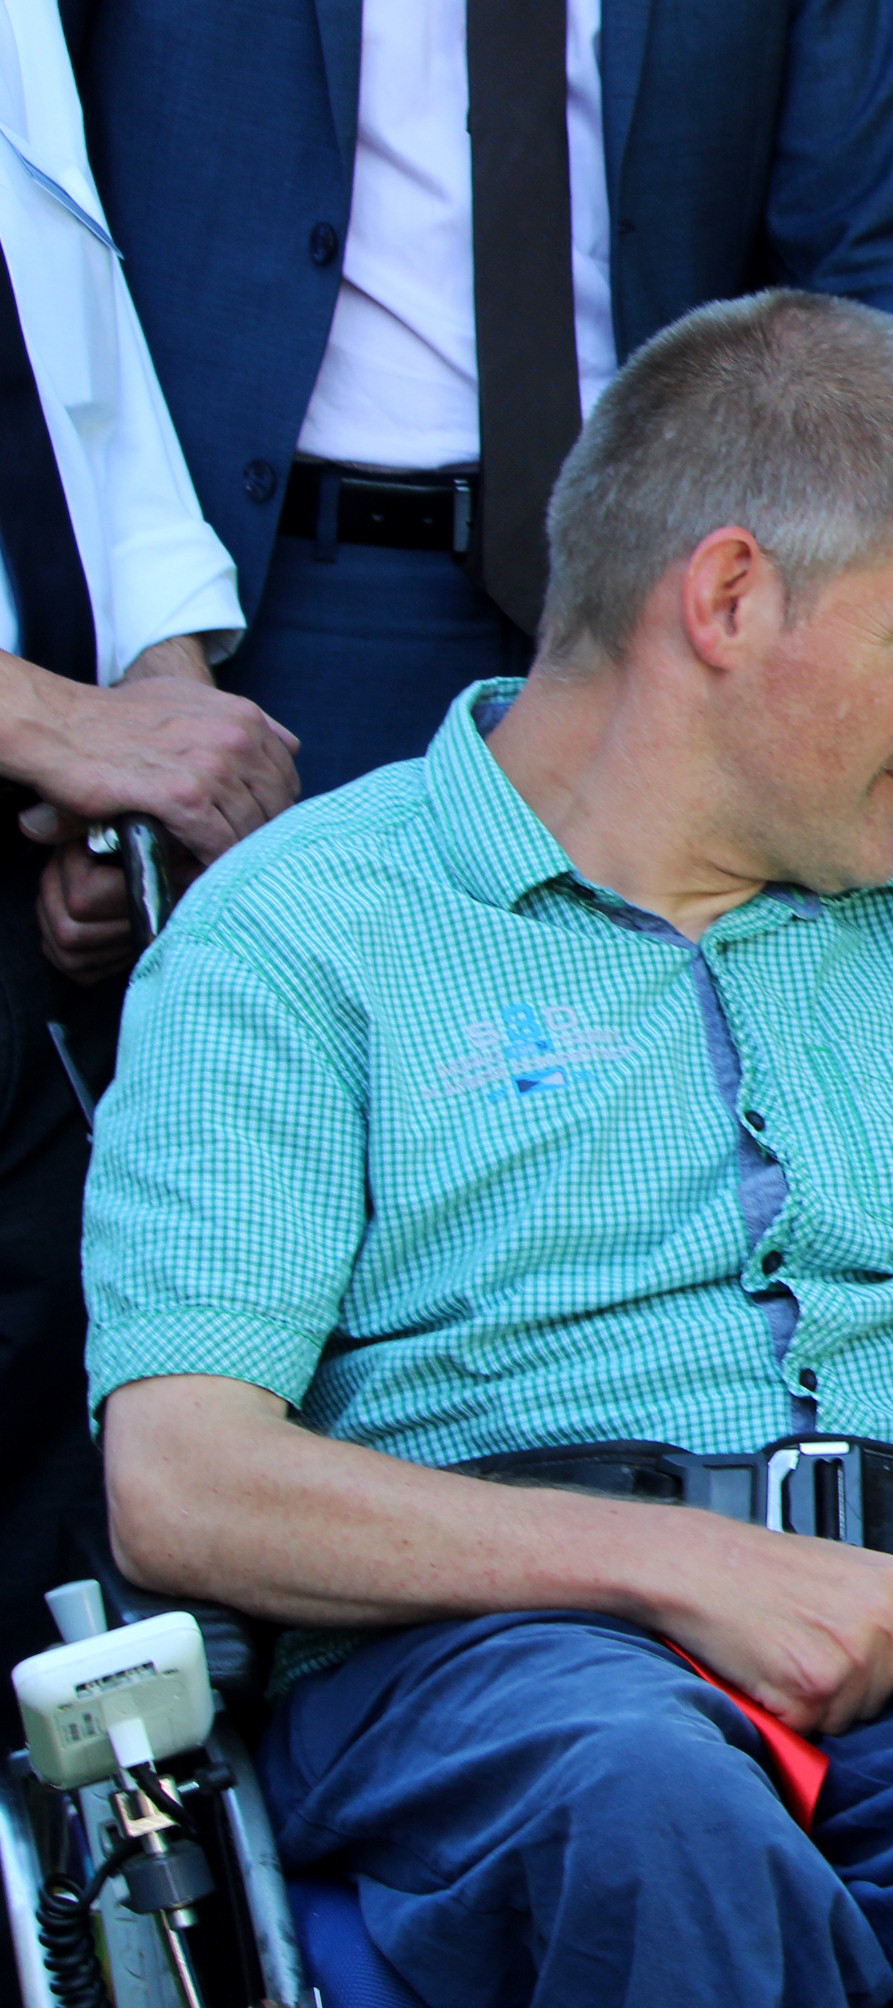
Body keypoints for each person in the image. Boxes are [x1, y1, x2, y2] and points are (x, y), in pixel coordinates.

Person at [80, 291, 893, 2008]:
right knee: (648, 1802)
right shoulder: (299, 942)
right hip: (501, 1668)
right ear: (732, 597)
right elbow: (181, 1478)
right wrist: (680, 1566)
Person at [72, 0, 893, 793]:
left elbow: (866, 256)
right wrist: (107, 674)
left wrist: (887, 623)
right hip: (263, 608)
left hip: (685, 599)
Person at [0, 0, 297, 1674]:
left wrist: (150, 693)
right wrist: (48, 722)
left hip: (44, 871)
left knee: (60, 1467)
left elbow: (69, 336)